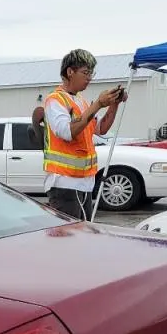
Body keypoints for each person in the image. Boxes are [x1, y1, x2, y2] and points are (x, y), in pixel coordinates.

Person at [42, 49, 124, 221]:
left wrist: (113, 104)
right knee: (69, 240)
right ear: (70, 72)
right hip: (64, 182)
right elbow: (67, 132)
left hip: (85, 182)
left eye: (91, 73)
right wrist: (98, 105)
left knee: (83, 237)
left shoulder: (81, 101)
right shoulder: (55, 100)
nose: (89, 78)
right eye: (85, 73)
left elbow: (101, 129)